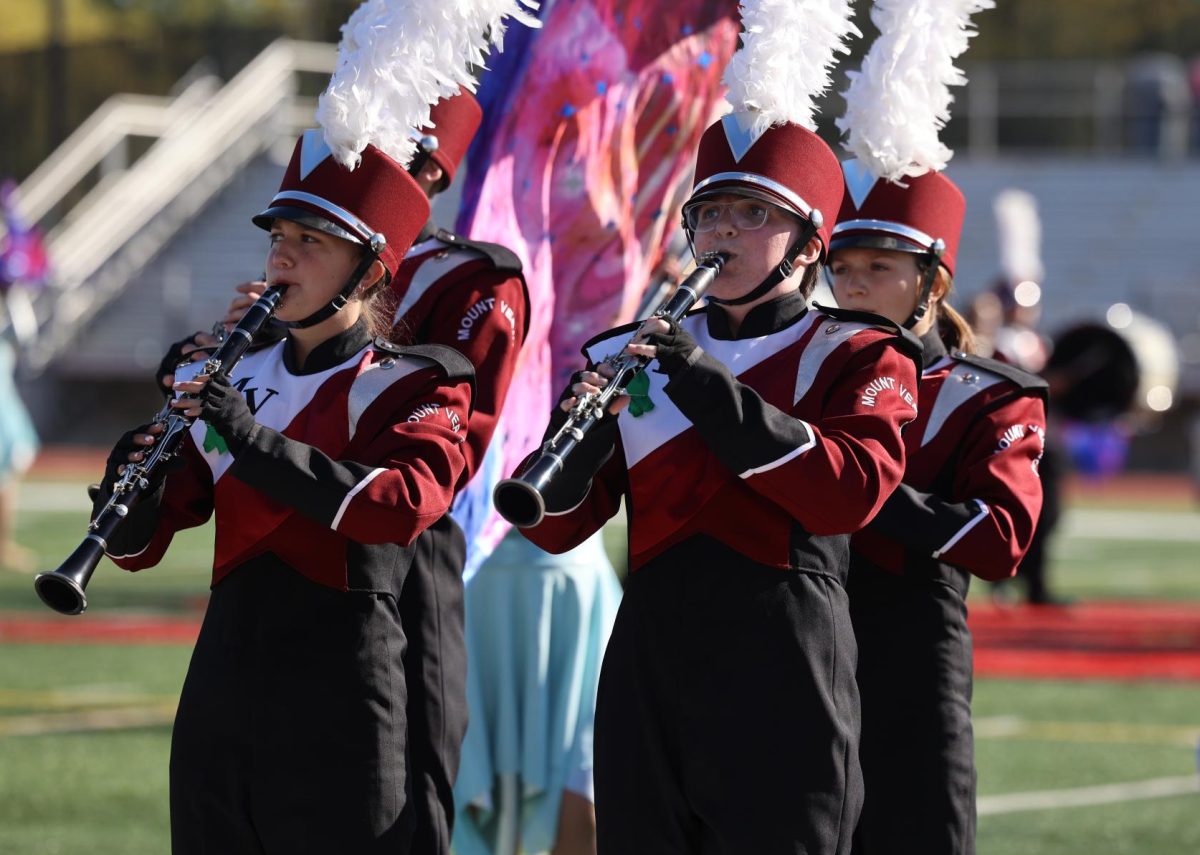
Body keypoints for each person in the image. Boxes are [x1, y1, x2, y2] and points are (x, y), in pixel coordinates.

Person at [510, 73, 921, 854]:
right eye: (709, 213)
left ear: (808, 242)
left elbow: (847, 493)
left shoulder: (858, 352)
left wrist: (700, 382)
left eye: (753, 213)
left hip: (785, 663)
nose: (723, 232)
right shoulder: (626, 350)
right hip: (648, 666)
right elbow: (556, 529)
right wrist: (577, 430)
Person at [157, 90, 530, 855]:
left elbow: (443, 448)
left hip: (400, 556)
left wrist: (279, 391)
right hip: (264, 586)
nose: (359, 161)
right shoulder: (301, 279)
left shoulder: (477, 277)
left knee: (402, 784)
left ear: (426, 169)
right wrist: (248, 348)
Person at [828, 171, 1047, 854]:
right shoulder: (799, 373)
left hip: (911, 656)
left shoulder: (985, 397)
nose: (853, 284)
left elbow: (1000, 538)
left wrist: (846, 484)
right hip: (796, 649)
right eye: (840, 266)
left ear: (934, 282)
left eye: (878, 266)